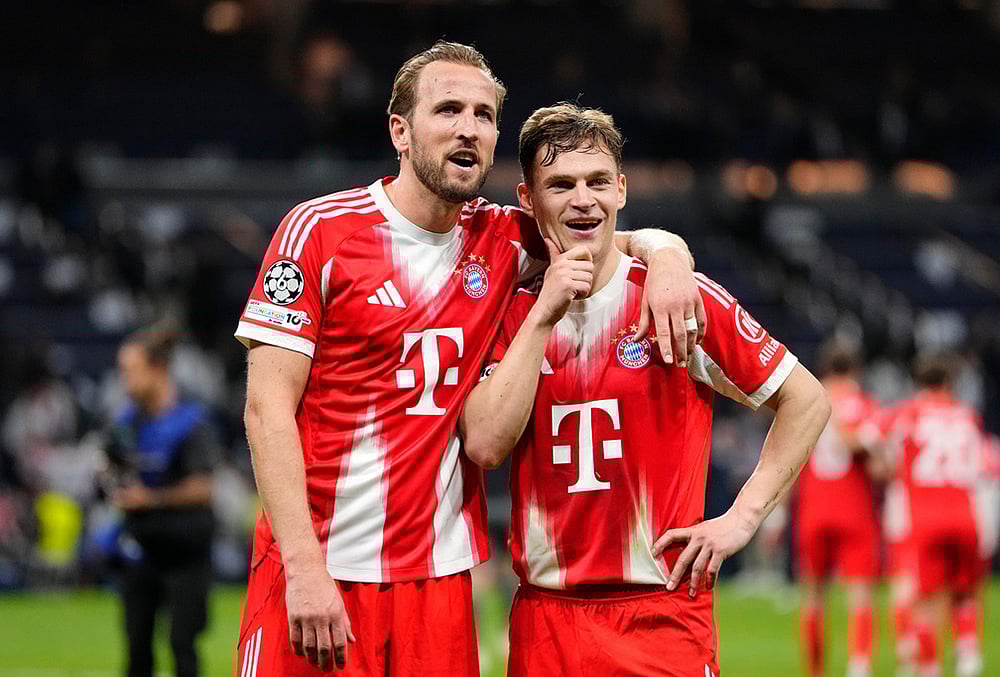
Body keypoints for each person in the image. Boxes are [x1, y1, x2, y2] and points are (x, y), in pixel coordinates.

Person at [234, 41, 704, 676]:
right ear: (400, 130)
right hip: (324, 570)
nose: (468, 128)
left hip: (441, 583)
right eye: (448, 109)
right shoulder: (320, 232)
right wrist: (303, 568)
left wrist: (670, 255)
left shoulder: (503, 239)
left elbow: (607, 237)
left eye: (484, 115)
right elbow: (266, 411)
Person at [460, 102, 830, 676]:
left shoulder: (678, 298)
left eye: (598, 181)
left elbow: (806, 399)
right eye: (561, 185)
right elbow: (483, 445)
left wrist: (742, 518)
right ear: (528, 201)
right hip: (545, 622)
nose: (583, 199)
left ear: (622, 190)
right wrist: (542, 317)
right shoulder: (508, 312)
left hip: (659, 618)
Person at [106, 327, 220, 677]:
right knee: (137, 649)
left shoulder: (190, 422)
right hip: (141, 548)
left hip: (185, 549)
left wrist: (151, 499)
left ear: (158, 369)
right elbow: (112, 470)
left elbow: (204, 488)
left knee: (182, 645)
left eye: (131, 369)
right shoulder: (125, 423)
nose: (124, 380)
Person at [881, 355, 989, 677]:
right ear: (950, 382)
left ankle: (929, 666)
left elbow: (885, 454)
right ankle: (968, 652)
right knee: (965, 590)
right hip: (966, 512)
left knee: (925, 600)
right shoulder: (968, 416)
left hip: (926, 517)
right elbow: (978, 466)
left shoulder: (908, 414)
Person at [794, 341, 883, 677]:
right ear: (855, 370)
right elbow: (877, 467)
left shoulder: (806, 398)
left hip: (814, 507)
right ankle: (859, 665)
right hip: (854, 507)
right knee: (860, 592)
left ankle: (815, 671)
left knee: (814, 596)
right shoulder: (861, 403)